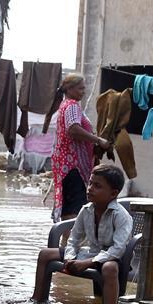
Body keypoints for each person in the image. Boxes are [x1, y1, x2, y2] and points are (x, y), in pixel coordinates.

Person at [31, 164, 133, 304]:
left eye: (97, 186)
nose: (90, 188)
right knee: (45, 254)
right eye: (90, 183)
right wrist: (70, 258)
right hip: (89, 252)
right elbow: (74, 239)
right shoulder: (86, 210)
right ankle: (37, 301)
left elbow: (118, 249)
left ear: (113, 194)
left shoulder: (121, 216)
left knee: (109, 269)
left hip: (112, 258)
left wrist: (88, 263)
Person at [51, 74, 112, 222]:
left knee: (71, 205)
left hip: (66, 164)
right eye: (80, 88)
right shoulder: (71, 105)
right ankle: (69, 241)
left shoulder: (65, 105)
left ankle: (66, 241)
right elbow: (73, 129)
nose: (83, 92)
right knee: (74, 206)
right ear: (70, 89)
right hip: (72, 165)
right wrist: (98, 140)